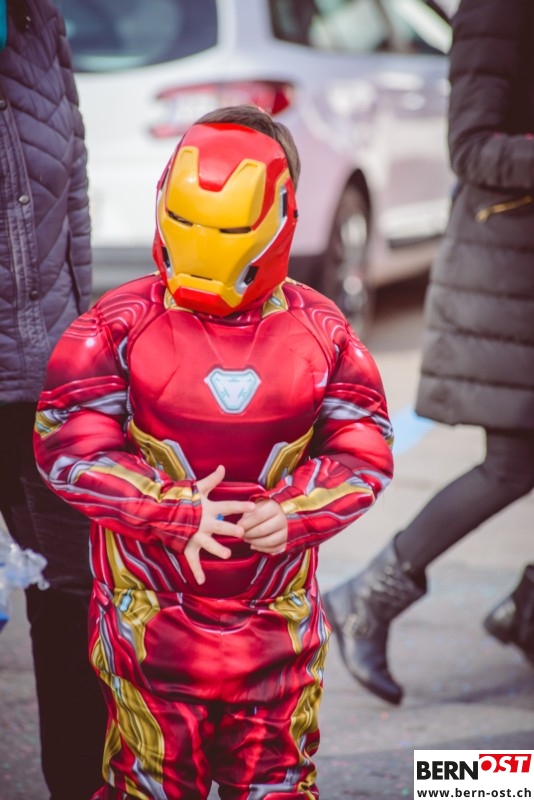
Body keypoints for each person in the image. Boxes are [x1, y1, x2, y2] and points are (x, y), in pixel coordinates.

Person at [33, 104, 394, 799]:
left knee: (278, 784)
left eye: (228, 228)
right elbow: (68, 444)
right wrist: (171, 510)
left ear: (279, 215)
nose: (206, 245)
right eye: (192, 220)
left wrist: (294, 510)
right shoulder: (118, 325)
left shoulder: (321, 331)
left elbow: (364, 446)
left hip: (277, 639)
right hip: (150, 634)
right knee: (152, 784)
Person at [322, 0, 534, 707]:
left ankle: (524, 611)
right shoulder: (499, 9)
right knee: (512, 463)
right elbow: (470, 146)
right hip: (509, 271)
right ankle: (369, 596)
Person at [0, 0, 107, 797]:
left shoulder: (40, 20)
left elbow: (73, 198)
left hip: (43, 376)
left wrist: (84, 345)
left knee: (71, 587)